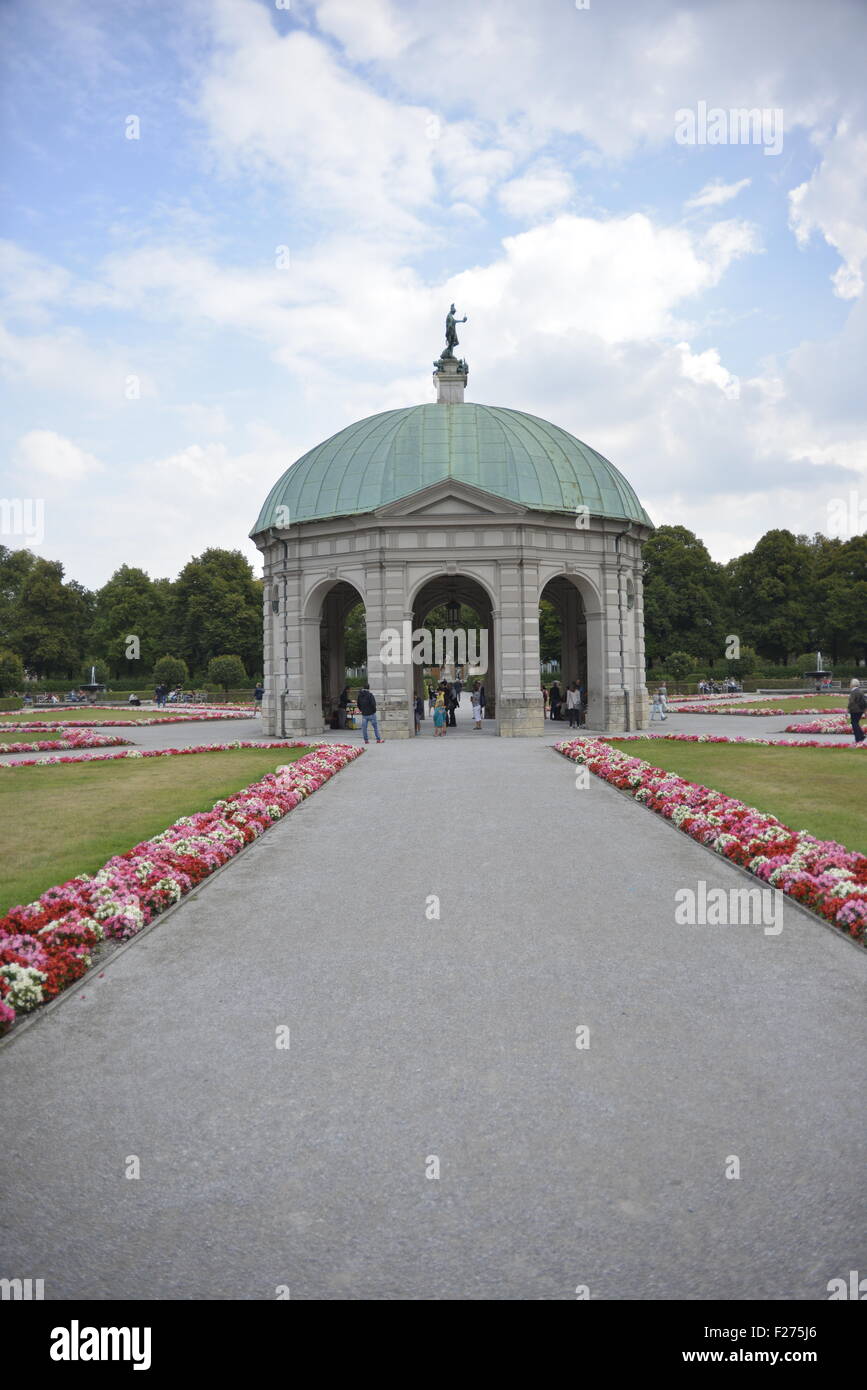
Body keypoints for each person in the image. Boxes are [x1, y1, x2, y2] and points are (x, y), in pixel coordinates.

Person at [848, 678, 866, 744]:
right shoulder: (860, 691)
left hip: (854, 710)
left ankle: (859, 738)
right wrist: (864, 709)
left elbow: (851, 702)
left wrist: (848, 709)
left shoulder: (853, 692)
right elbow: (864, 701)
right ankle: (860, 736)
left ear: (852, 684)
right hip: (860, 710)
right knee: (855, 723)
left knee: (854, 724)